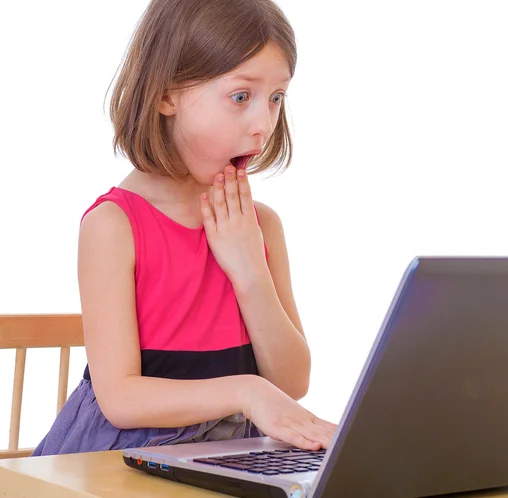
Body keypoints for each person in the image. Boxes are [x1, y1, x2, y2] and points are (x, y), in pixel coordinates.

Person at [32, 0, 336, 456]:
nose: (263, 125)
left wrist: (250, 269)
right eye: (240, 97)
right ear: (166, 95)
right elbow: (120, 399)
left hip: (230, 456)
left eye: (276, 98)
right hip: (119, 458)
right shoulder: (114, 227)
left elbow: (292, 382)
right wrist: (245, 392)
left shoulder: (262, 227)